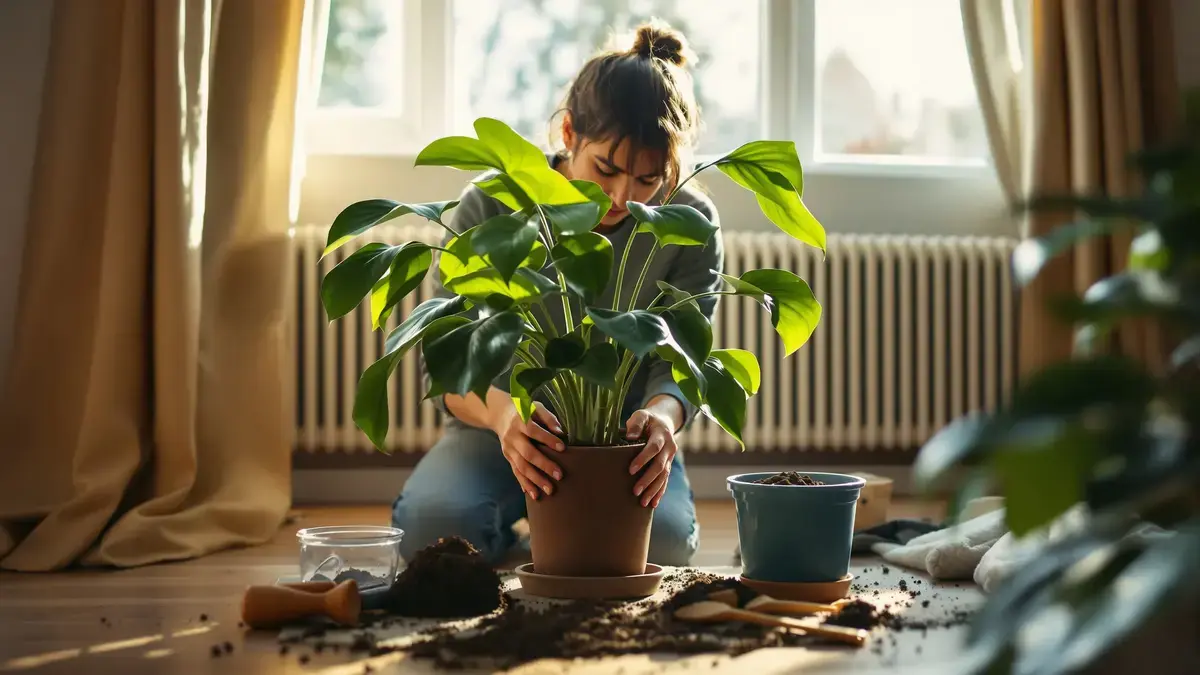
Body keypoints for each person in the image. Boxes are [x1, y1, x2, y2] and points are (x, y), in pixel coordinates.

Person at [391, 20, 724, 567]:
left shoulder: (690, 220)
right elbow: (448, 367)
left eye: (648, 180)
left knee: (660, 546)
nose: (623, 198)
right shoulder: (493, 205)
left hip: (621, 443)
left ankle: (549, 532)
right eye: (606, 169)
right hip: (497, 427)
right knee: (432, 531)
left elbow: (681, 360)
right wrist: (505, 419)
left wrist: (662, 418)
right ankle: (536, 535)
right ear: (569, 134)